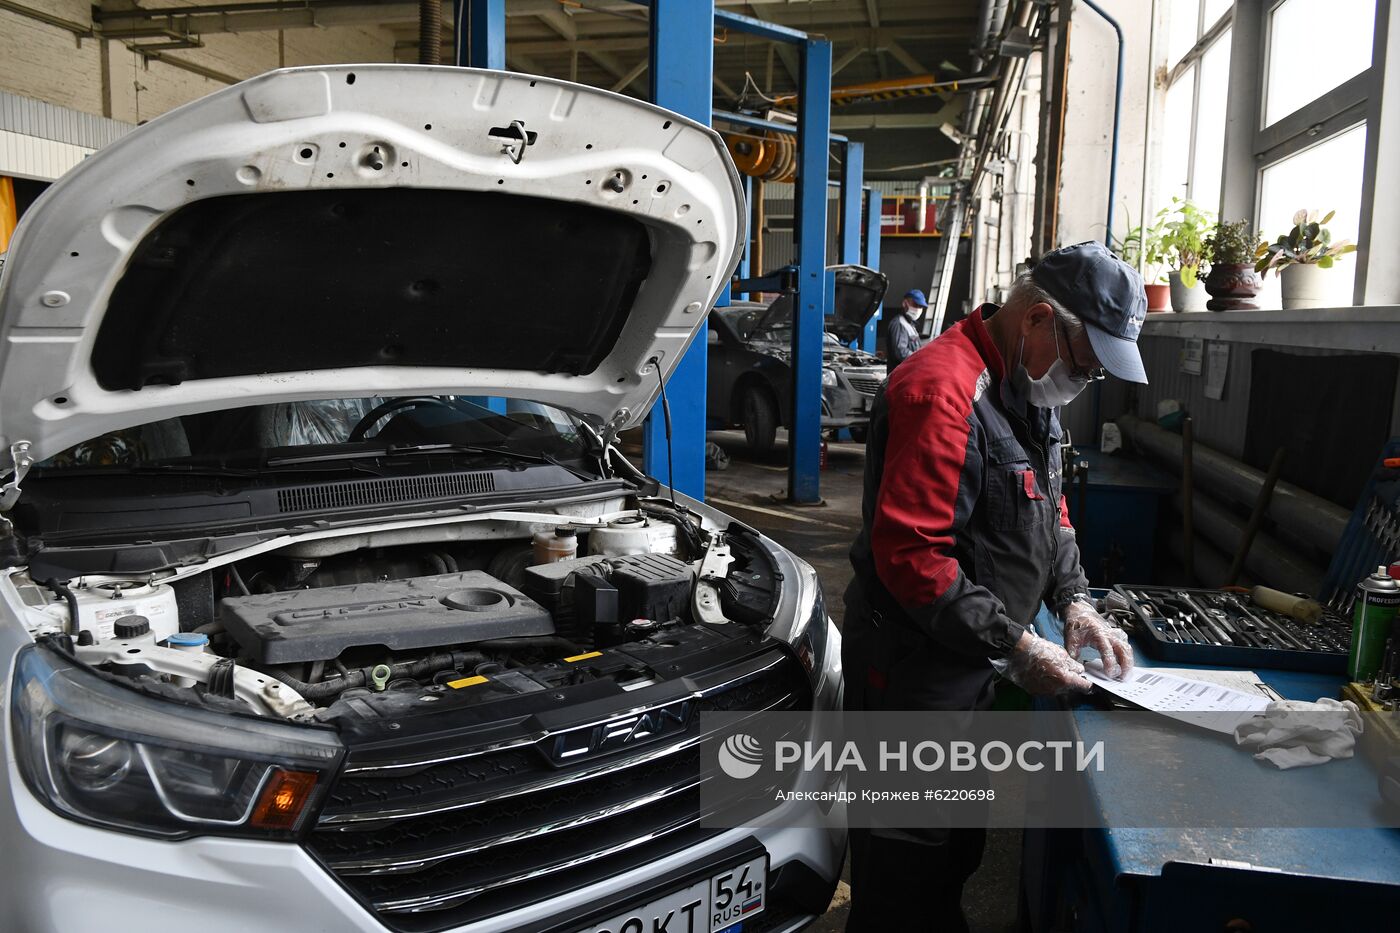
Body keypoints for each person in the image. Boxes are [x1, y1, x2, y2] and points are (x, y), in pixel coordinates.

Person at [842, 241, 1149, 932]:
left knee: (953, 849)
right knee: (903, 874)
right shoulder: (942, 389)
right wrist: (1014, 645)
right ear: (1040, 318)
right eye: (1084, 362)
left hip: (971, 665)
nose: (1084, 380)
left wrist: (1073, 598)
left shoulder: (1028, 389)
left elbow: (1050, 511)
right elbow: (912, 555)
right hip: (913, 676)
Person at [885, 288, 928, 373]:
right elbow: (900, 352)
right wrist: (921, 358)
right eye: (915, 305)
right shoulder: (898, 324)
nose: (918, 309)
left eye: (921, 307)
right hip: (899, 377)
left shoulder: (910, 324)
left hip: (908, 375)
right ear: (905, 303)